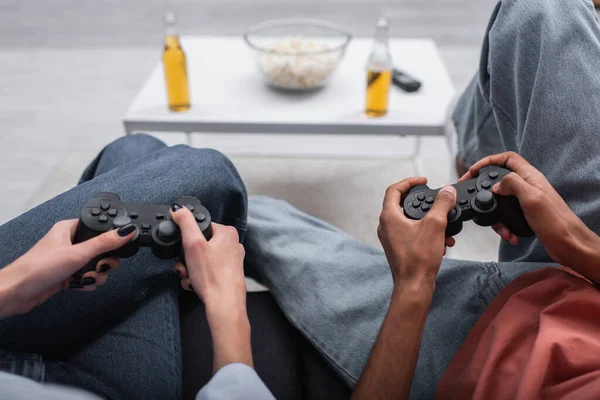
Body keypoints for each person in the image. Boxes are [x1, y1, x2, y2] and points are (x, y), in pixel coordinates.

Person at [3, 0, 600, 398]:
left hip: (498, 342)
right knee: (545, 9)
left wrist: (413, 283)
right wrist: (576, 242)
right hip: (586, 282)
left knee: (176, 178)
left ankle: (471, 138)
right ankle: (474, 140)